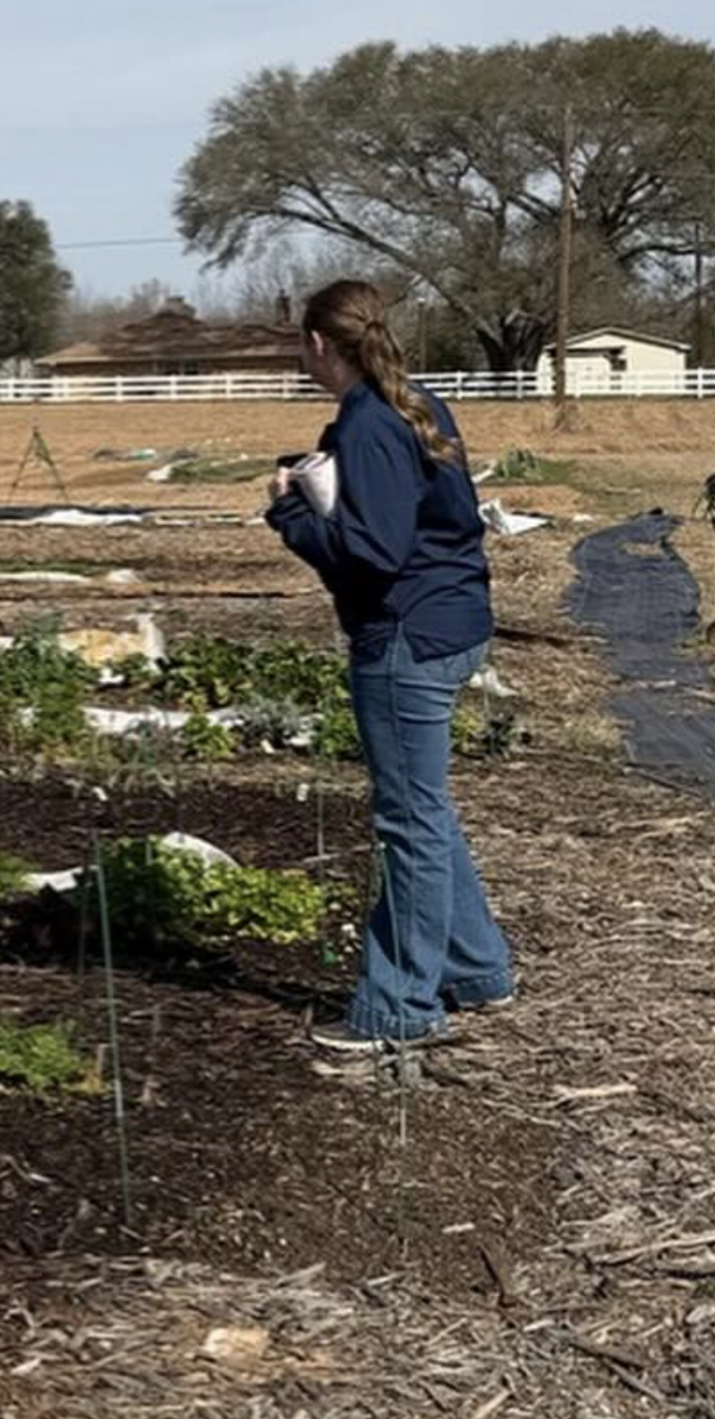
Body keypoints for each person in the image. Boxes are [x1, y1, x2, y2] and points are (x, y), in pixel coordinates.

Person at [267, 279, 512, 1050]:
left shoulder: (370, 424)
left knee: (407, 823)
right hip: (454, 620)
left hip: (404, 638)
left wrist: (291, 513)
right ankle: (477, 969)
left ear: (316, 345)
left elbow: (371, 556)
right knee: (424, 808)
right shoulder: (415, 402)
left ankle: (400, 1007)